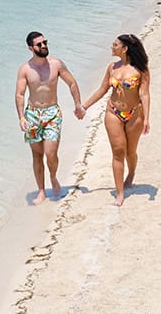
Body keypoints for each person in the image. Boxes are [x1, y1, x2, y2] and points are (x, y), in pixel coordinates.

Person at [81, 33, 151, 207]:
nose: (112, 47)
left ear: (125, 48)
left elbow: (144, 94)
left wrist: (146, 118)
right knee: (118, 151)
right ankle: (119, 193)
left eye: (115, 45)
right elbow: (102, 89)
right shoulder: (111, 67)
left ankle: (131, 174)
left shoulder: (141, 70)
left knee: (130, 152)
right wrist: (84, 106)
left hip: (135, 113)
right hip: (113, 112)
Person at [14, 31, 84, 204]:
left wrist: (78, 104)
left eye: (45, 42)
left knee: (50, 154)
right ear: (30, 48)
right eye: (39, 44)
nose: (44, 46)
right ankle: (41, 191)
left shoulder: (56, 64)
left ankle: (53, 177)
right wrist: (21, 117)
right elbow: (20, 95)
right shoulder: (25, 69)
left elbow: (72, 83)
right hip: (32, 115)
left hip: (52, 113)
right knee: (37, 155)